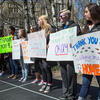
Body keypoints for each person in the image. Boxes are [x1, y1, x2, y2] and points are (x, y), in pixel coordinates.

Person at [78, 3, 100, 100]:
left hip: (98, 62)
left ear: (93, 12)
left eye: (86, 12)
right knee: (85, 83)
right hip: (87, 61)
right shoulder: (86, 28)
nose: (84, 14)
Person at [59, 9, 81, 100]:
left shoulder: (75, 26)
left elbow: (80, 38)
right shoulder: (61, 28)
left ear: (67, 16)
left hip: (71, 55)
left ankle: (72, 94)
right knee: (64, 75)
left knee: (70, 75)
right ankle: (65, 93)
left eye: (61, 15)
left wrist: (74, 42)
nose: (60, 17)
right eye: (59, 16)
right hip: (61, 55)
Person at [38, 15, 53, 93]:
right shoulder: (40, 30)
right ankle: (44, 82)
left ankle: (49, 84)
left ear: (43, 20)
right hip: (40, 52)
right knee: (42, 68)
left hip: (47, 51)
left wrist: (49, 44)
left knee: (46, 67)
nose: (38, 22)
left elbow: (53, 39)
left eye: (39, 20)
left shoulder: (49, 29)